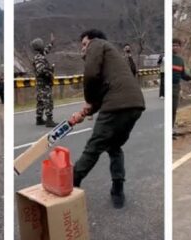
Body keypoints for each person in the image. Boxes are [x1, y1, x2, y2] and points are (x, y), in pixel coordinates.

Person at [71, 29, 145, 209]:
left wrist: (88, 101)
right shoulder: (113, 58)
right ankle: (118, 189)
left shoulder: (96, 44)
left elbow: (90, 75)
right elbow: (106, 90)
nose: (83, 49)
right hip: (135, 105)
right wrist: (86, 112)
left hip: (116, 106)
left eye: (84, 44)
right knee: (114, 146)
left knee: (94, 147)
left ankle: (70, 184)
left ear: (92, 40)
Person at [31, 33, 57, 127]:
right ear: (39, 45)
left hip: (41, 84)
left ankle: (39, 119)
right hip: (43, 84)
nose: (43, 45)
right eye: (42, 44)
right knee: (48, 101)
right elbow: (41, 71)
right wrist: (51, 70)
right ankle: (49, 120)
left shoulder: (40, 55)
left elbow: (46, 50)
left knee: (40, 101)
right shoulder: (39, 58)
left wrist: (51, 43)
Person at [172, 38, 191, 139]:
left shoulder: (180, 60)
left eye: (176, 45)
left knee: (173, 109)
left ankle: (171, 129)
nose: (174, 47)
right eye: (173, 45)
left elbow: (183, 75)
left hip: (176, 86)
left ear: (180, 47)